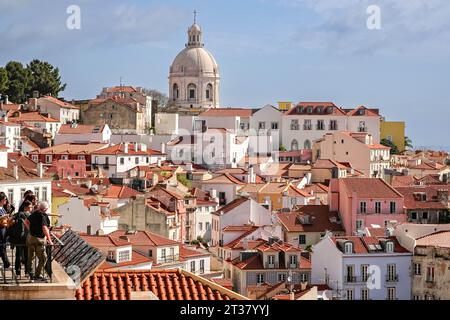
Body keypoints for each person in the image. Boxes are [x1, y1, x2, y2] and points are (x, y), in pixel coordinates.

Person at [24, 201, 54, 281]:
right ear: (45, 209)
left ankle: (30, 274)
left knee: (30, 257)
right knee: (43, 258)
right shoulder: (43, 216)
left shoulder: (34, 213)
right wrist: (49, 240)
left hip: (30, 238)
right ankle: (37, 274)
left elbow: (26, 221)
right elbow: (44, 228)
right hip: (38, 240)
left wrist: (30, 230)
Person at [9, 200, 33, 276]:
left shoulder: (18, 214)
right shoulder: (31, 215)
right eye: (31, 207)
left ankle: (17, 271)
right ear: (27, 207)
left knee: (18, 254)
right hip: (27, 237)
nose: (31, 208)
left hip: (18, 238)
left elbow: (9, 220)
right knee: (27, 255)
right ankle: (27, 271)